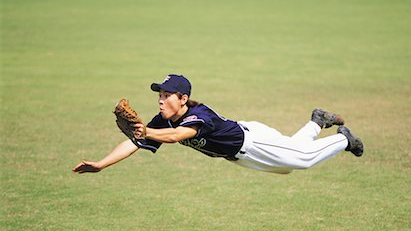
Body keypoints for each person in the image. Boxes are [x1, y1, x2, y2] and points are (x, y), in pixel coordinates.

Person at [72, 74, 363, 175]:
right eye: (159, 95)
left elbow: (176, 136)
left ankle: (343, 139)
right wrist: (101, 163)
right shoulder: (163, 121)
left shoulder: (200, 115)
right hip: (240, 155)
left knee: (302, 160)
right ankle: (317, 122)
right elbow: (136, 141)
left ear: (183, 98)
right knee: (288, 165)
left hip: (253, 141)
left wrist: (147, 131)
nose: (160, 100)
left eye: (166, 95)